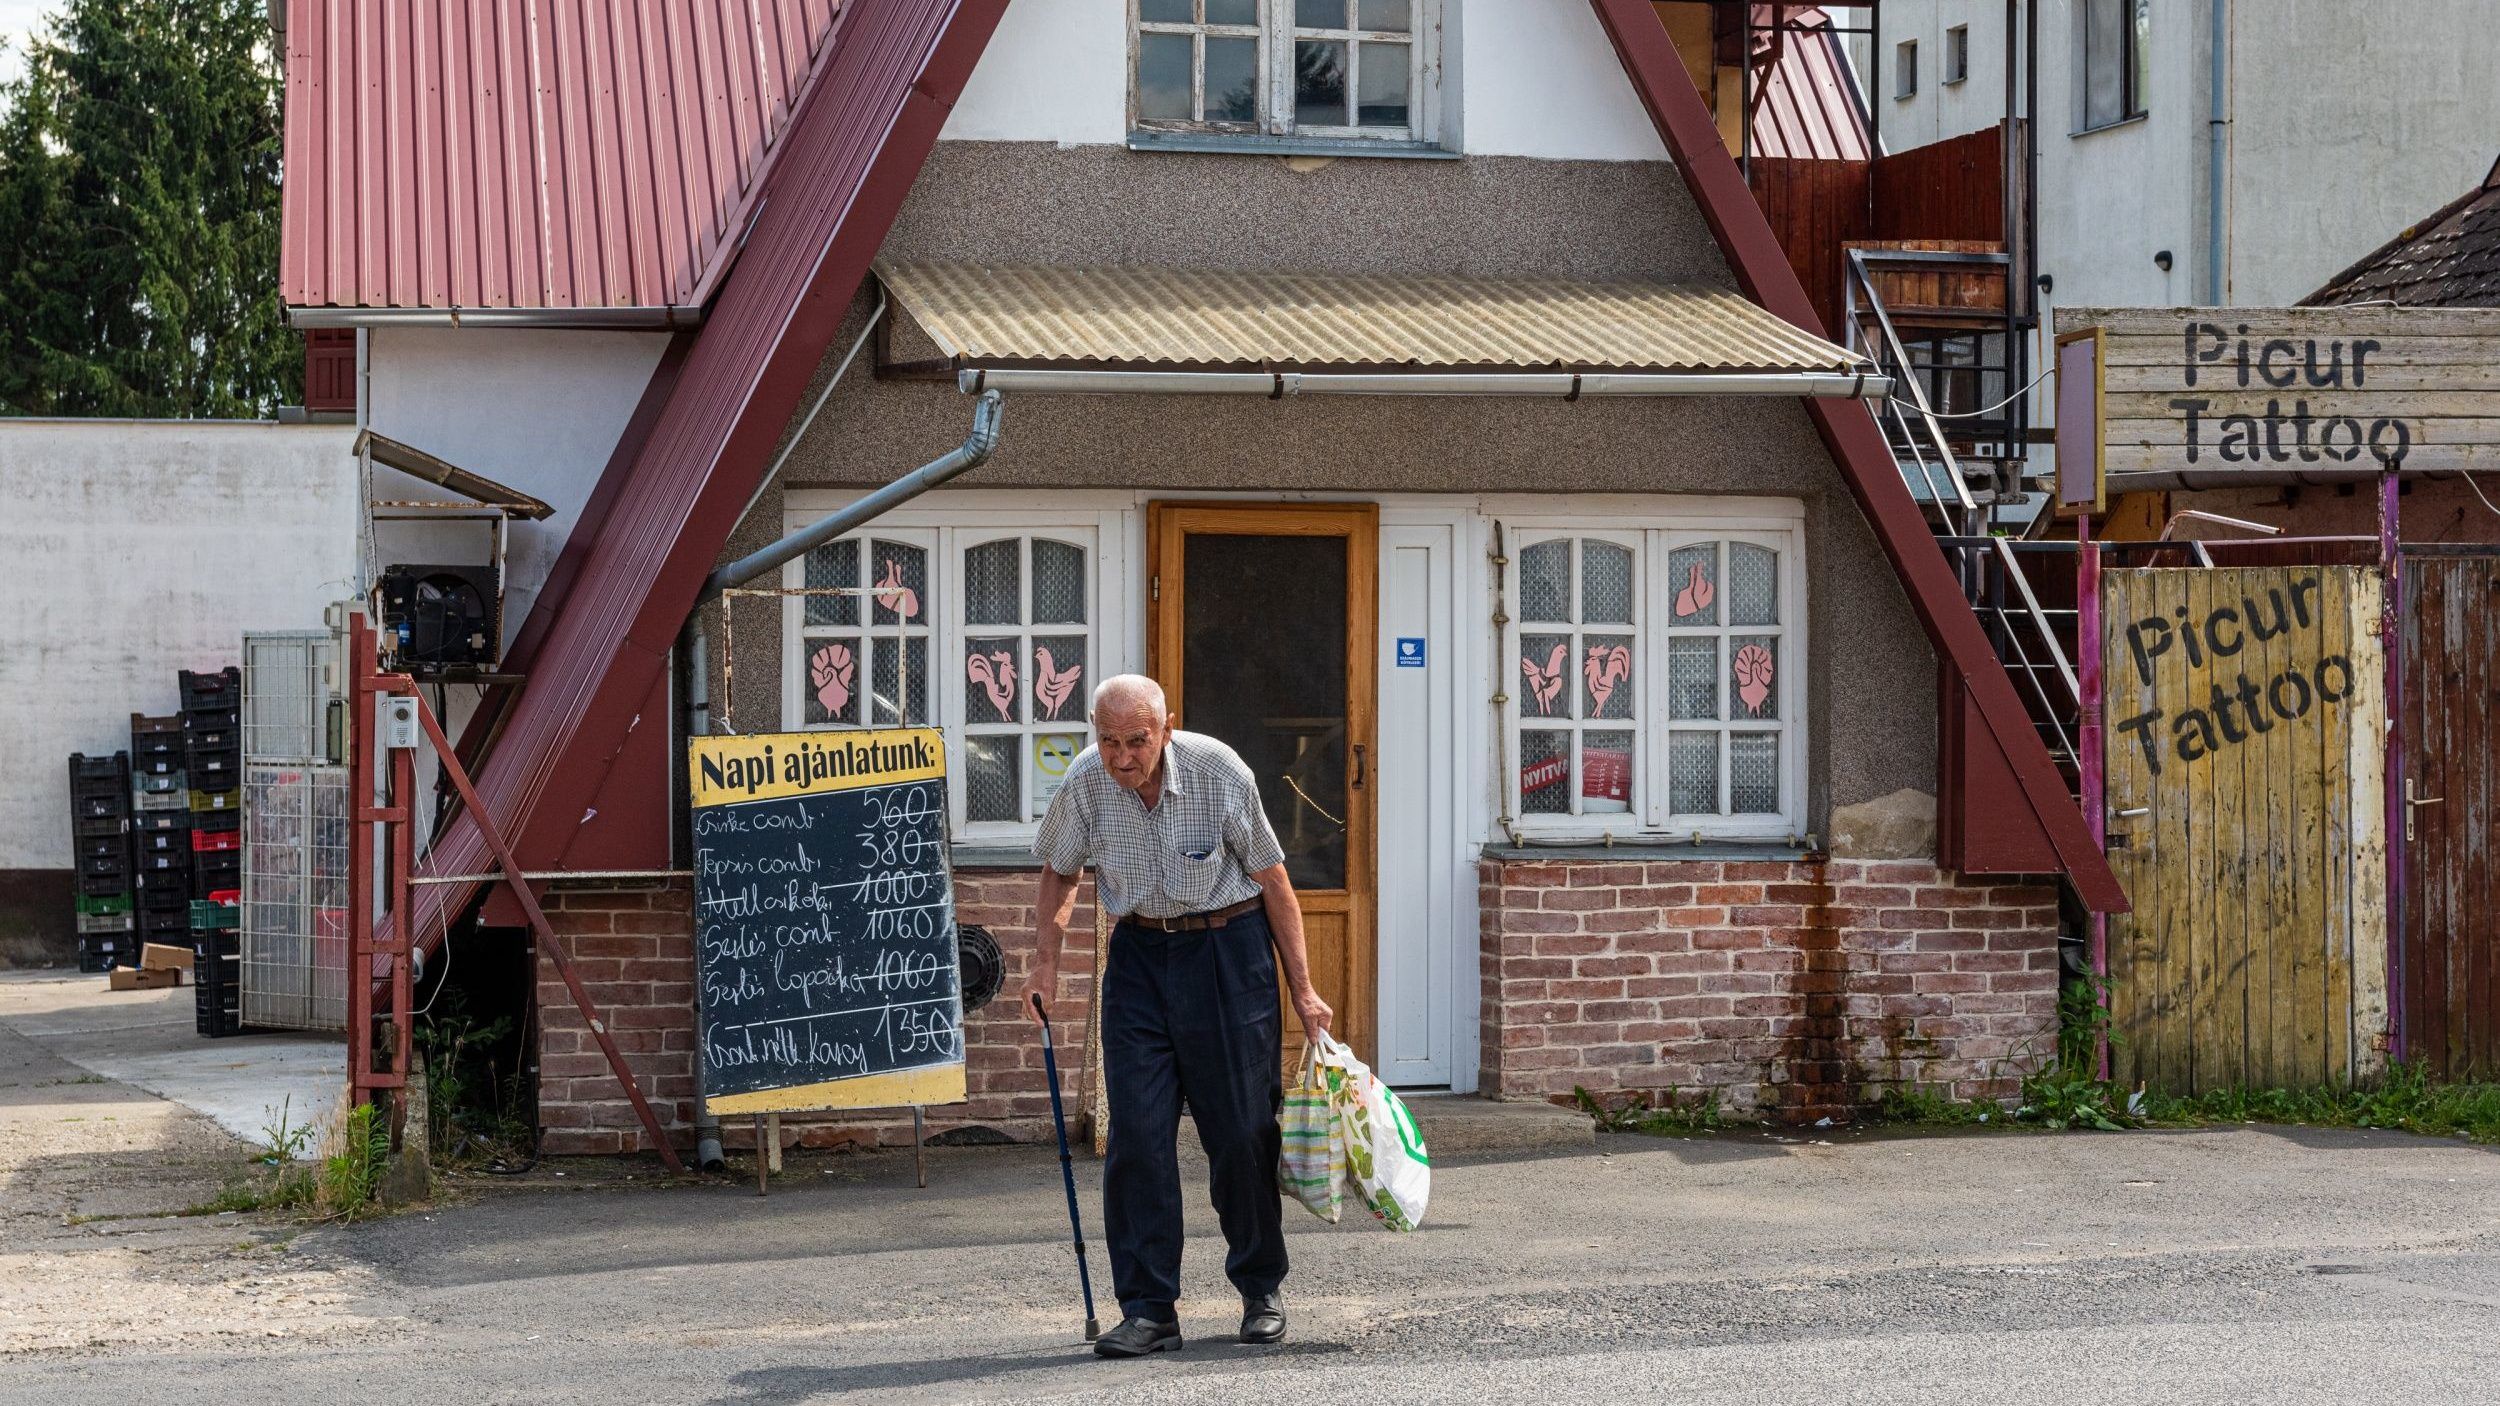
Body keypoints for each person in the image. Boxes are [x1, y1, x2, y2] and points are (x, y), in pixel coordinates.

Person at [1024, 674, 1333, 1358]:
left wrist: (1304, 990)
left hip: (1227, 952)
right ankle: (1149, 1308)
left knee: (1242, 1132)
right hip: (1136, 958)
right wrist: (1044, 963)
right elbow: (1059, 871)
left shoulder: (1220, 772)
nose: (1123, 756)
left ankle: (1260, 1289)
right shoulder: (1087, 782)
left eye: (1137, 740)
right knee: (1134, 1135)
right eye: (1109, 741)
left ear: (1167, 728)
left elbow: (1274, 881)